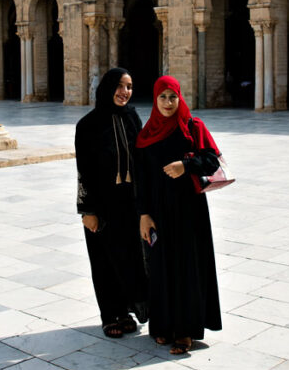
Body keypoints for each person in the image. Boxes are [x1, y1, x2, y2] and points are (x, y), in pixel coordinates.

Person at [136, 75, 222, 355]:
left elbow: (211, 160)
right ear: (155, 99)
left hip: (189, 211)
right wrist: (143, 214)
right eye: (162, 97)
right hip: (158, 211)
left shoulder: (192, 126)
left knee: (187, 267)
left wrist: (186, 165)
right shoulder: (147, 133)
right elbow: (142, 178)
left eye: (173, 96)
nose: (168, 102)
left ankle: (185, 332)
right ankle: (163, 327)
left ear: (179, 98)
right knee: (161, 266)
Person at [75, 68, 148, 338]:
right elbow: (83, 171)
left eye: (129, 86)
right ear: (107, 88)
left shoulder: (132, 118)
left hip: (130, 205)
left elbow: (143, 161)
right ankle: (110, 314)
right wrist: (87, 211)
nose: (124, 92)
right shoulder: (88, 125)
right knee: (104, 260)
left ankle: (127, 310)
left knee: (130, 259)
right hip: (103, 207)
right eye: (119, 86)